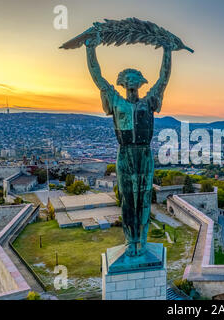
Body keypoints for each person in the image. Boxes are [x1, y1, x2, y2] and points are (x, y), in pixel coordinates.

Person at [85, 34, 172, 257]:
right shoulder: (115, 101)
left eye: (136, 77)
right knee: (127, 198)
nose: (132, 81)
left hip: (144, 153)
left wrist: (167, 50)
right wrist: (90, 48)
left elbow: (163, 79)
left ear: (141, 82)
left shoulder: (149, 101)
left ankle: (142, 238)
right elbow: (98, 78)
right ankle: (130, 240)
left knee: (143, 198)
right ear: (123, 82)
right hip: (125, 154)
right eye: (129, 77)